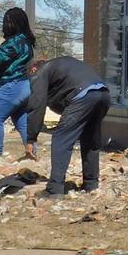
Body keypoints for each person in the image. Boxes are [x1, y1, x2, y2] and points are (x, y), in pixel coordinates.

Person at [24, 57, 110, 196]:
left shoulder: (42, 71)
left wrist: (31, 138)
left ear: (33, 69)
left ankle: (54, 189)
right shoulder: (60, 67)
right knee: (90, 140)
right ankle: (91, 184)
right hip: (103, 94)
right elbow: (61, 100)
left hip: (83, 95)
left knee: (61, 139)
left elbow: (36, 105)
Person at [0, 7, 36, 159]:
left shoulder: (14, 42)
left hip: (12, 85)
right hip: (24, 85)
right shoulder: (26, 40)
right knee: (21, 122)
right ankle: (32, 154)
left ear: (11, 23)